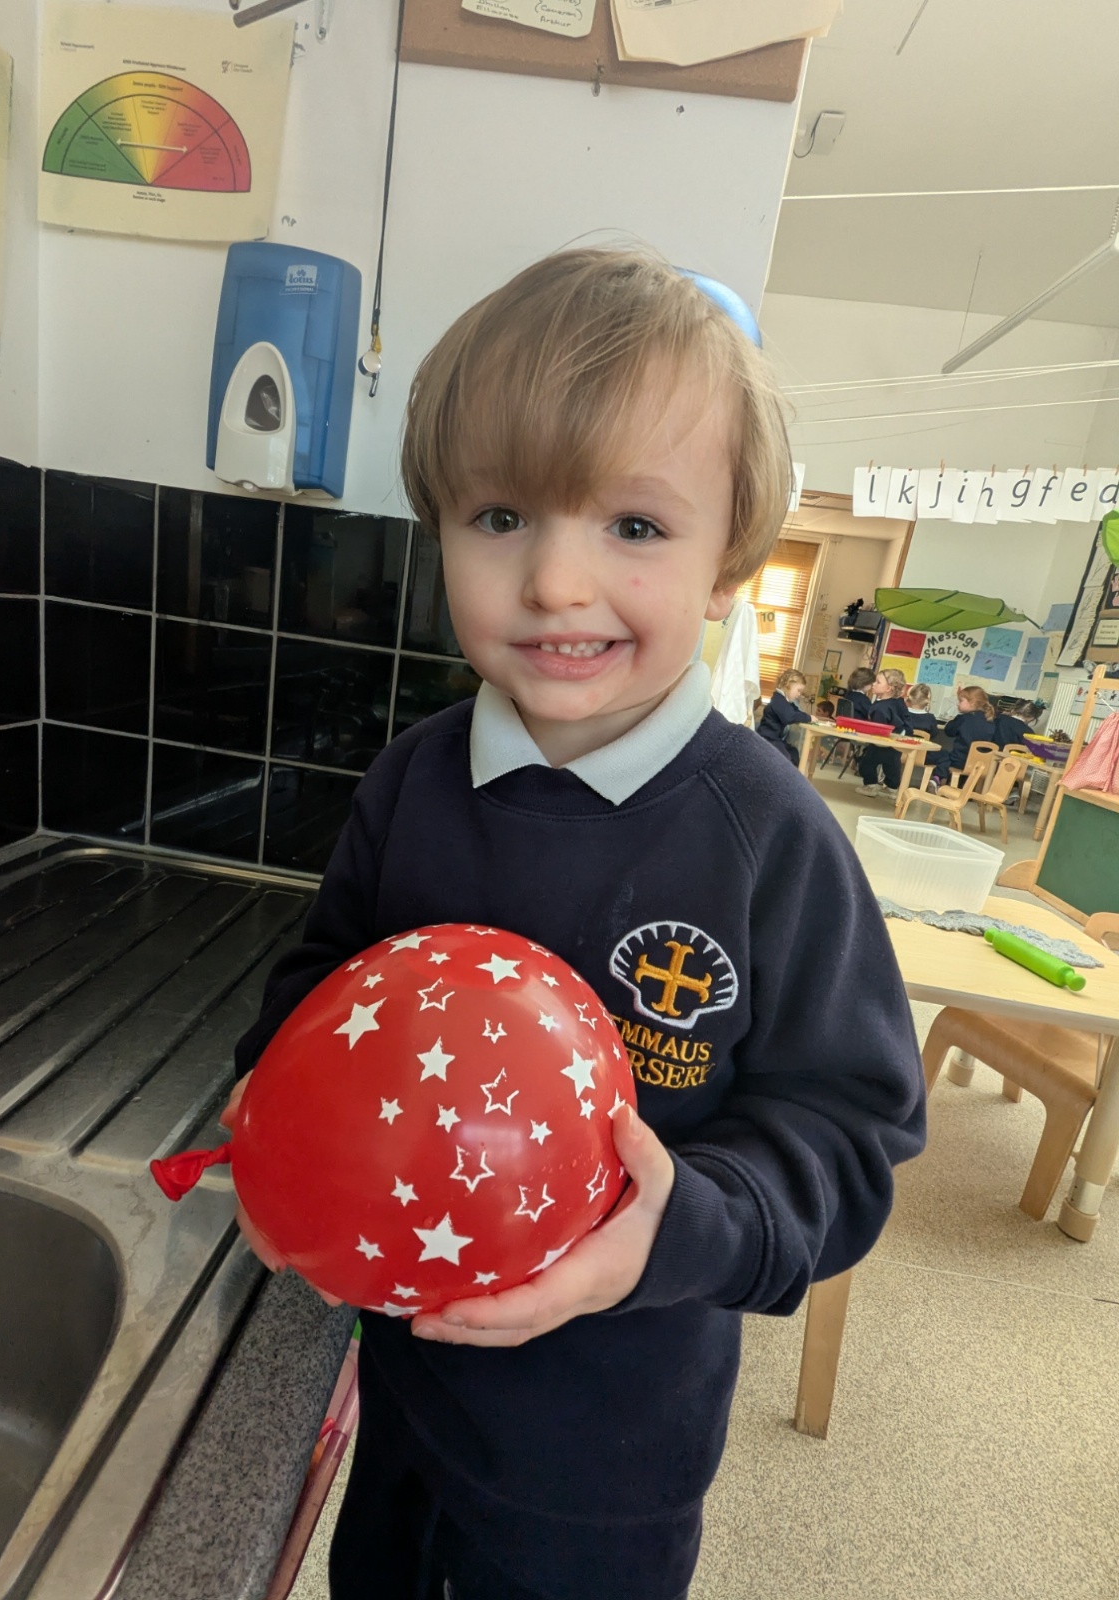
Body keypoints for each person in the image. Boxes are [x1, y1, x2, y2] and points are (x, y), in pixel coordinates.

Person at [223, 248, 926, 1600]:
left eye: (636, 528)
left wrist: (681, 1228)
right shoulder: (412, 781)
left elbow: (849, 1139)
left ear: (728, 563)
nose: (555, 581)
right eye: (500, 516)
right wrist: (269, 1100)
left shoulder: (771, 839)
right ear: (439, 530)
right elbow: (318, 984)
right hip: (402, 1393)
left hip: (604, 1461)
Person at [856, 667, 912, 796]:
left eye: (878, 682)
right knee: (892, 766)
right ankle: (892, 788)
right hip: (897, 742)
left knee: (866, 762)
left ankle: (871, 785)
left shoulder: (881, 707)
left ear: (888, 688)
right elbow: (906, 720)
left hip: (881, 741)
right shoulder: (899, 702)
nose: (873, 684)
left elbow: (878, 727)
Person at [928, 684, 996, 790]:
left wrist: (952, 720)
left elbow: (949, 731)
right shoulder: (990, 721)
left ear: (972, 703)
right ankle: (956, 786)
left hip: (959, 761)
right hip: (980, 764)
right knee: (953, 757)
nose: (957, 704)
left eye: (961, 701)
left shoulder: (963, 718)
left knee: (944, 755)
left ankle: (937, 778)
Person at [757, 667, 812, 764]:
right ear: (788, 685)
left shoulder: (785, 701)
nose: (799, 694)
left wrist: (807, 717)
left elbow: (796, 711)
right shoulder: (779, 700)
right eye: (798, 690)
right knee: (786, 759)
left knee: (794, 753)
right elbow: (789, 717)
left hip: (776, 739)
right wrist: (809, 718)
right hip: (768, 738)